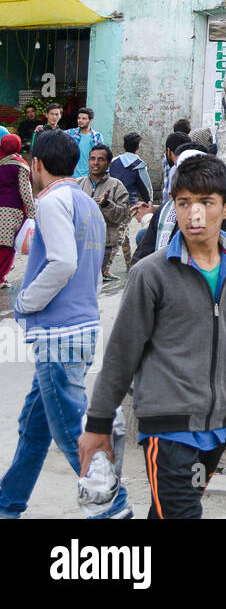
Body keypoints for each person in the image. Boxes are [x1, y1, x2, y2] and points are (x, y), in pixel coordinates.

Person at [80, 152, 226, 520]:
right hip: (167, 428)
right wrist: (97, 425)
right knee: (182, 514)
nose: (195, 214)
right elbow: (121, 355)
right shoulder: (150, 274)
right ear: (173, 207)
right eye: (184, 203)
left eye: (206, 202)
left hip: (219, 426)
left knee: (169, 512)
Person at [0, 131, 130, 519]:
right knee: (35, 426)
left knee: (72, 432)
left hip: (60, 334)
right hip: (80, 327)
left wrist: (24, 300)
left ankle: (112, 507)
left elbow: (62, 263)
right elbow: (88, 271)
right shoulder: (86, 203)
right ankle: (8, 502)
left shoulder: (53, 202)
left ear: (36, 164)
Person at [78, 145, 130, 283]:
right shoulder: (78, 184)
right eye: (92, 159)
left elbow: (122, 215)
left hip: (105, 244)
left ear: (108, 163)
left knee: (95, 281)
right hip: (80, 243)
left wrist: (106, 204)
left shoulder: (116, 186)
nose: (95, 163)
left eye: (101, 159)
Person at [109, 132, 152, 269]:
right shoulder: (139, 165)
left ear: (123, 146)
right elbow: (145, 187)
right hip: (129, 204)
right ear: (138, 147)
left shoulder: (114, 162)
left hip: (111, 202)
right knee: (120, 234)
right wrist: (148, 202)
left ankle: (129, 264)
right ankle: (105, 268)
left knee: (122, 232)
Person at [0, 133, 35, 291]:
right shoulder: (19, 164)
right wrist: (32, 214)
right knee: (6, 247)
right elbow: (25, 191)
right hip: (11, 212)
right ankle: (0, 278)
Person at [68, 107, 104, 180]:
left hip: (89, 177)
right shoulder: (70, 134)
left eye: (84, 118)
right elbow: (55, 134)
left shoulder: (97, 136)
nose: (80, 120)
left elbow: (102, 156)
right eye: (79, 118)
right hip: (72, 176)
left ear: (90, 120)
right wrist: (42, 128)